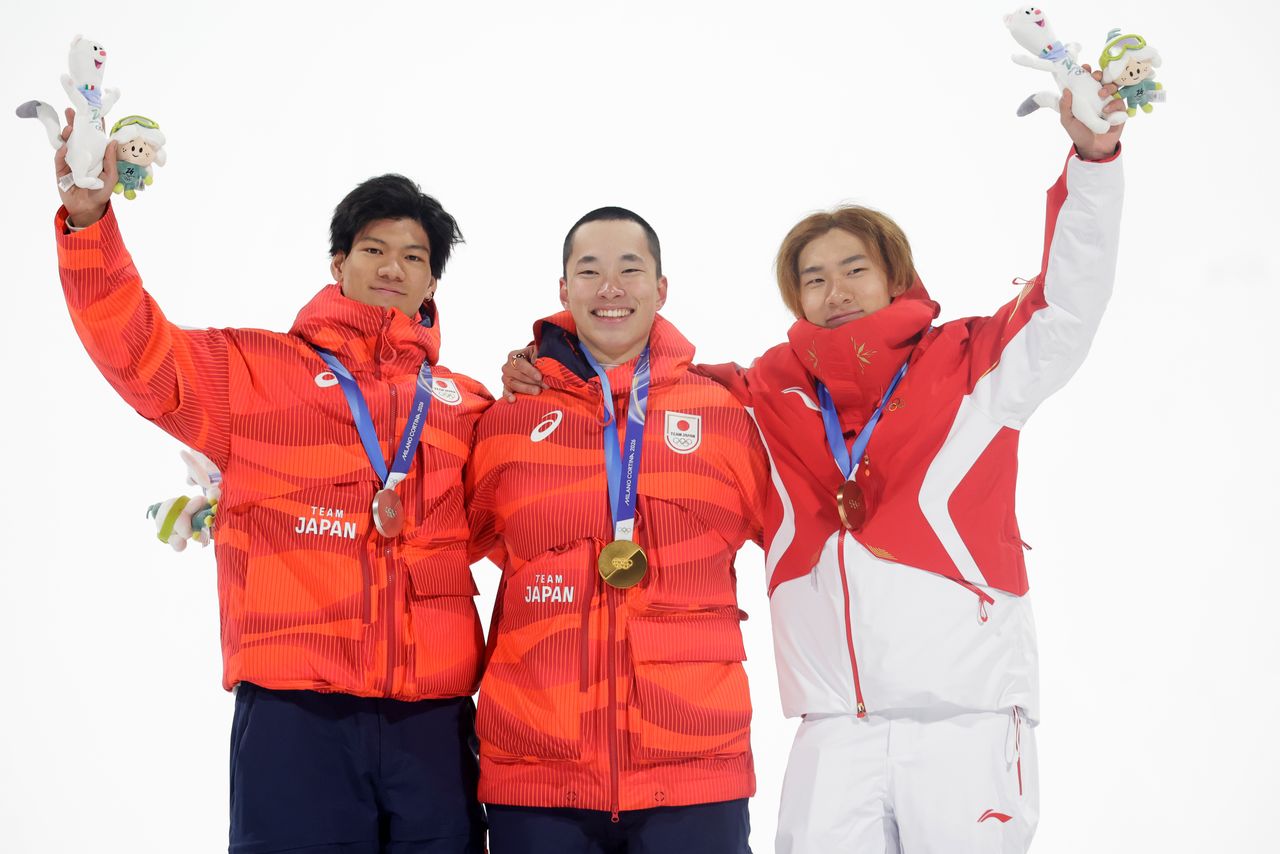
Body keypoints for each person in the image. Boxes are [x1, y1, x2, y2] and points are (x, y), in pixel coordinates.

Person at [501, 84, 1128, 852]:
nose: (835, 293)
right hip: (833, 730)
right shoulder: (768, 390)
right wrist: (550, 364)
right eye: (813, 278)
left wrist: (1093, 166)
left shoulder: (976, 364)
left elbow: (1065, 306)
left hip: (964, 719)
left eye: (853, 269)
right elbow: (649, 383)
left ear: (895, 275)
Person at [50, 111, 490, 853]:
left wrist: (557, 379)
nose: (392, 268)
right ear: (336, 262)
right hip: (296, 713)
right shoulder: (253, 372)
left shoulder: (467, 406)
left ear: (432, 281)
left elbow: (536, 513)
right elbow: (137, 352)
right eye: (373, 249)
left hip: (433, 720)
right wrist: (90, 224)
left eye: (413, 257)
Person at [465, 208, 770, 853]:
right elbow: (448, 535)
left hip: (695, 766)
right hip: (536, 769)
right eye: (590, 271)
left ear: (661, 289)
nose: (611, 288)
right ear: (563, 289)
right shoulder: (509, 421)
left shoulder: (722, 416)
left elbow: (799, 535)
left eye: (630, 270)